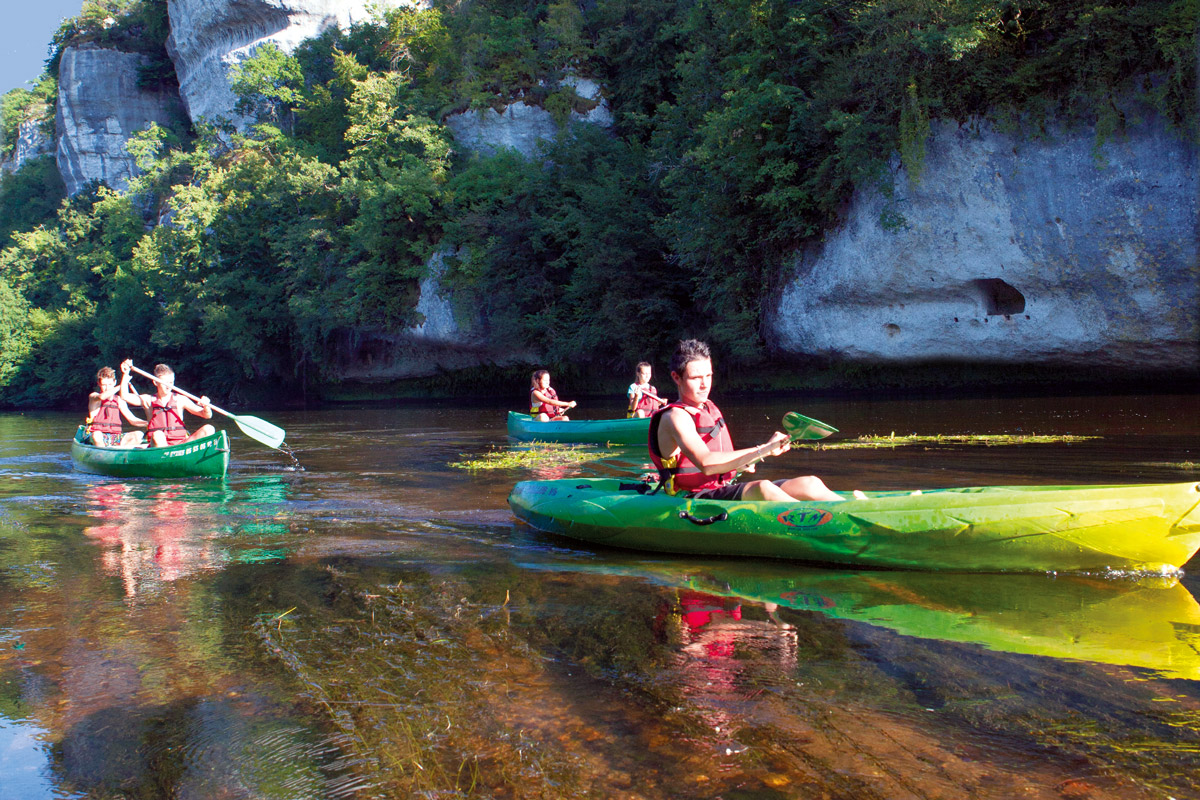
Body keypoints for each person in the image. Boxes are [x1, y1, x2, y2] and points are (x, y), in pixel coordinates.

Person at [649, 339, 856, 502]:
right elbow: (707, 465)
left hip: (720, 488)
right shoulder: (675, 417)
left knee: (810, 483)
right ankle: (821, 521)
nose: (705, 385)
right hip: (690, 497)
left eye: (709, 376)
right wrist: (764, 448)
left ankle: (855, 509)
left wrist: (748, 460)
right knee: (762, 487)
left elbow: (725, 464)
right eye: (696, 378)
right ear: (677, 378)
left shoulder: (708, 408)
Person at [122, 363, 215, 447]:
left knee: (209, 429)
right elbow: (125, 396)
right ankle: (167, 459)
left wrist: (206, 406)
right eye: (165, 383)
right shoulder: (148, 400)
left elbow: (206, 415)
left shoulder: (180, 399)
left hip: (181, 444)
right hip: (159, 446)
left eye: (171, 382)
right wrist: (125, 374)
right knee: (158, 435)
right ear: (155, 382)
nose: (168, 386)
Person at [85, 361, 147, 448]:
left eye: (110, 384)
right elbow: (102, 397)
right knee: (97, 435)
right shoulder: (94, 397)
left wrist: (148, 423)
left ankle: (122, 455)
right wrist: (122, 384)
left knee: (138, 434)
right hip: (97, 436)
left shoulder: (119, 400)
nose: (107, 388)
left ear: (114, 382)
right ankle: (104, 455)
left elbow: (132, 419)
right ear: (99, 384)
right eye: (104, 385)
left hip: (115, 437)